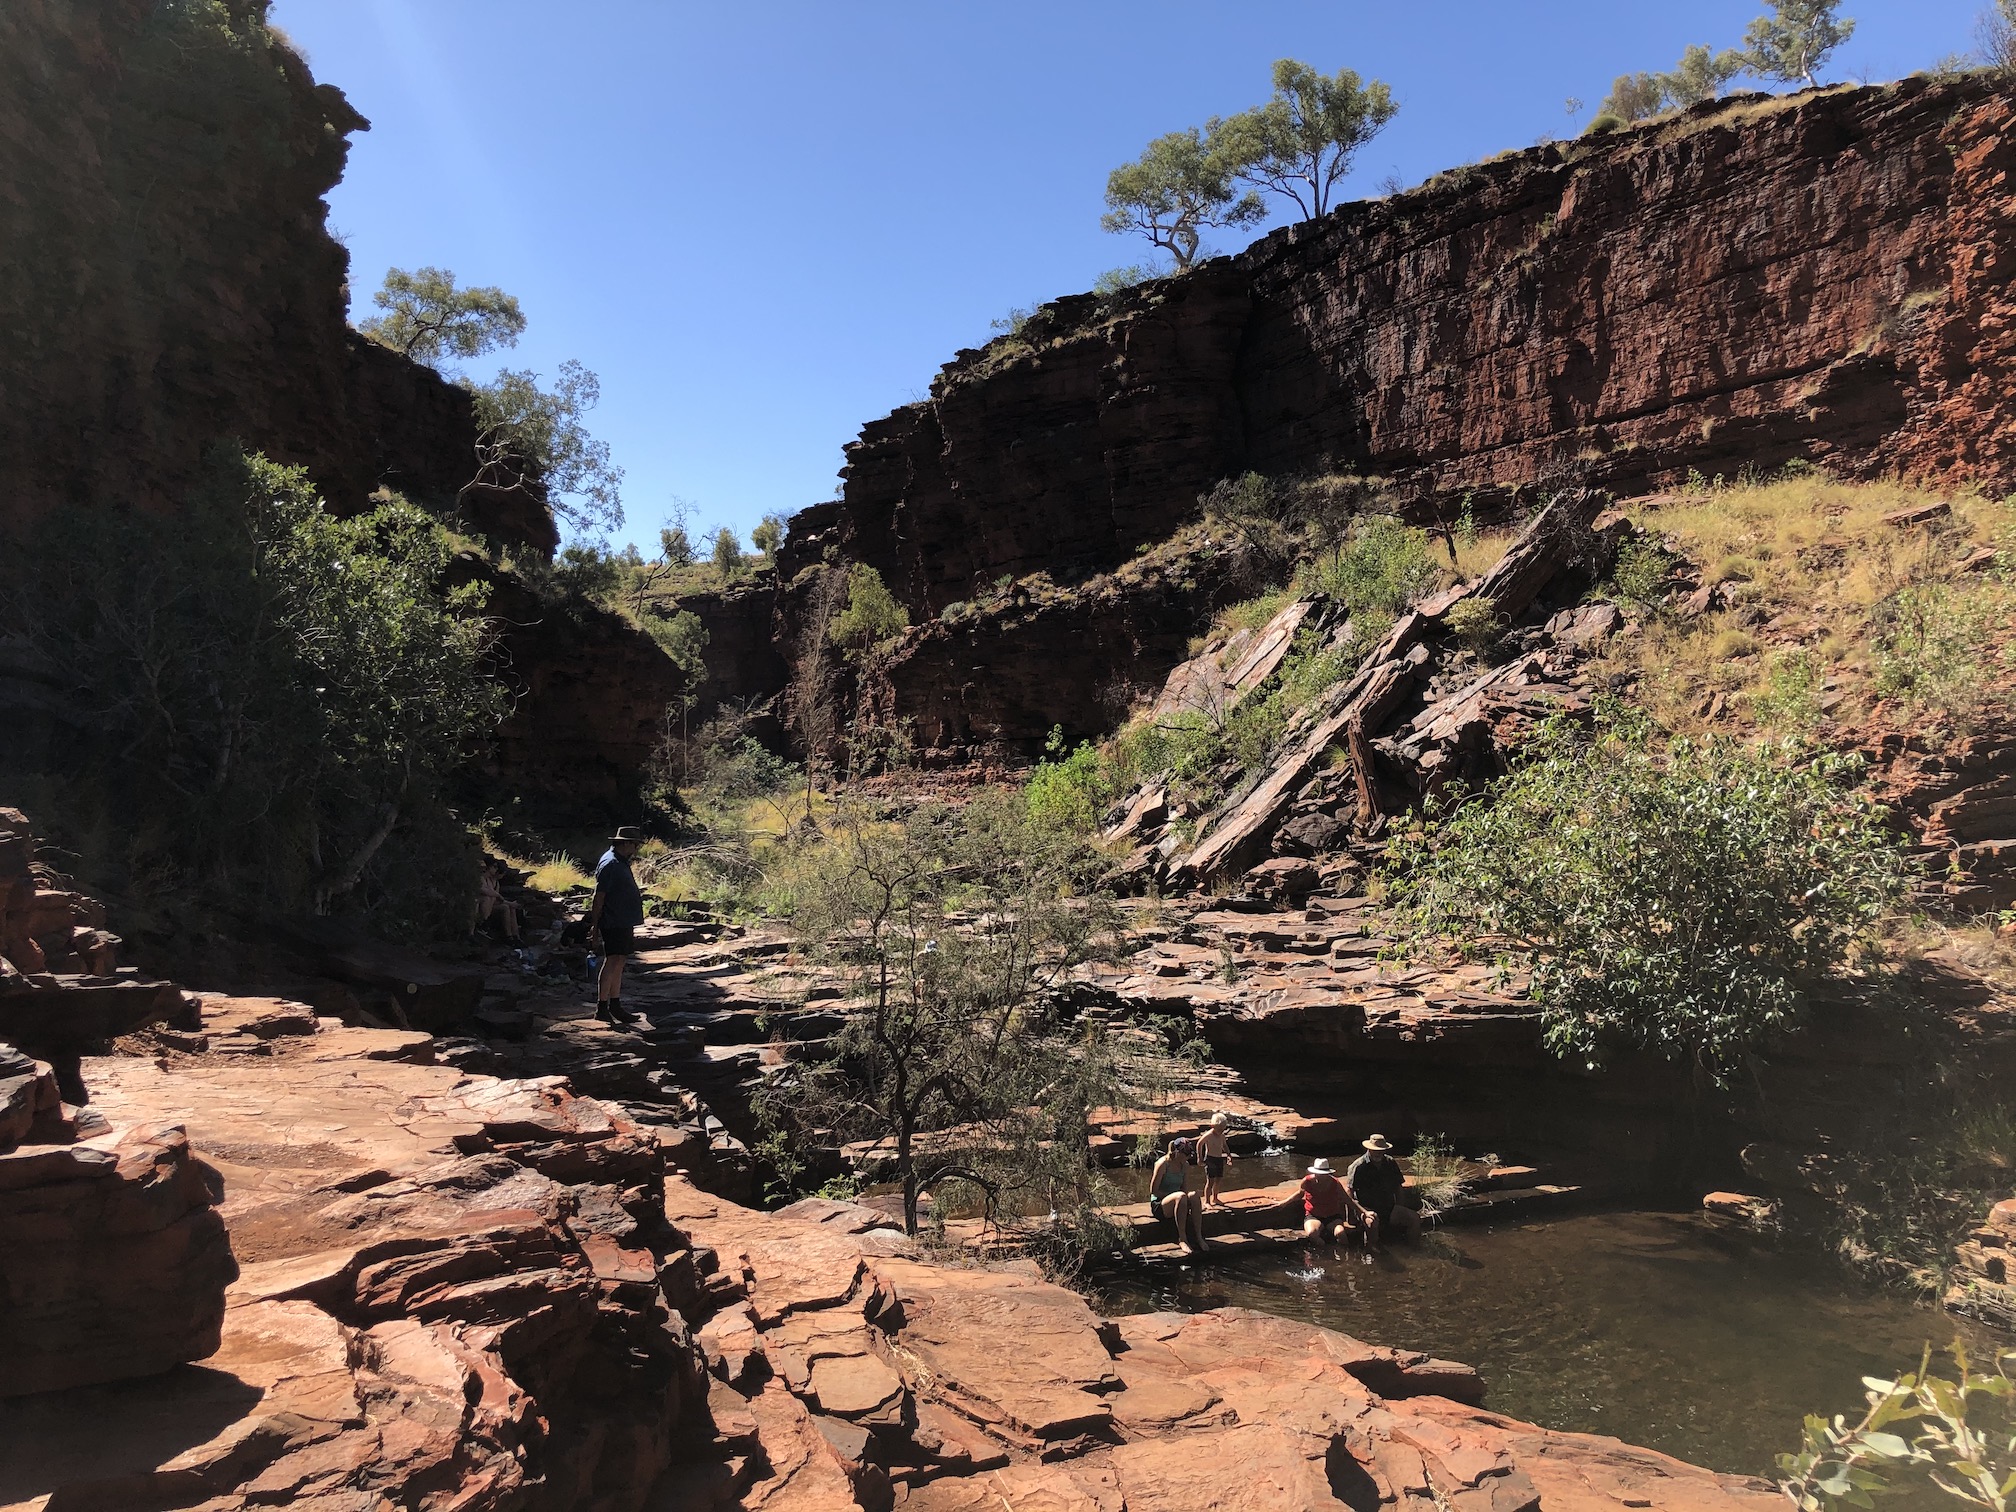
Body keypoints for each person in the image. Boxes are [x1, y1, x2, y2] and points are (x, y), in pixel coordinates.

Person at [588, 826, 646, 1025]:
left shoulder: (619, 861)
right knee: (612, 960)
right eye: (635, 844)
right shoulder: (610, 863)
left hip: (622, 920)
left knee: (620, 960)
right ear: (626, 843)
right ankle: (602, 1006)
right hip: (613, 921)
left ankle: (615, 1004)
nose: (636, 848)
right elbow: (599, 896)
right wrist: (594, 927)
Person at [1347, 1134, 1408, 1247]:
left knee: (1414, 1219)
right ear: (1369, 1149)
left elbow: (1398, 1188)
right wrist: (1357, 1215)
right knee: (1372, 1222)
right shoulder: (1358, 1167)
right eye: (1375, 1150)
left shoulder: (1390, 1163)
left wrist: (1399, 1207)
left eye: (1381, 1150)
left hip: (1388, 1207)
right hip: (1365, 1208)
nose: (1378, 1153)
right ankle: (1372, 1253)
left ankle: (1414, 1250)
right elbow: (1349, 1194)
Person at [1149, 1138, 1208, 1254]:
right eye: (1186, 1154)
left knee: (1195, 1195)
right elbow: (1154, 1191)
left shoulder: (1184, 1165)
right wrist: (1176, 1196)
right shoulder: (1162, 1164)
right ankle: (1182, 1239)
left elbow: (1184, 1188)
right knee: (1180, 1196)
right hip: (1160, 1203)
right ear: (1177, 1152)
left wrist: (1185, 1199)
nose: (1188, 1157)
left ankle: (1199, 1237)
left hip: (1179, 1201)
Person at [1299, 1157, 1357, 1243]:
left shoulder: (1335, 1183)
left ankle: (1344, 1254)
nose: (1320, 1176)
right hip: (1314, 1215)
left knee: (1341, 1233)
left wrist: (1363, 1212)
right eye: (1318, 1174)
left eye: (1323, 1174)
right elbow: (1299, 1194)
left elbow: (1347, 1199)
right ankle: (1325, 1253)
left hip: (1333, 1216)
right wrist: (1282, 1203)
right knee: (1312, 1234)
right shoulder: (1307, 1181)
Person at [476, 858, 521, 943]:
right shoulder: (485, 879)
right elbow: (491, 895)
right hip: (486, 905)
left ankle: (515, 936)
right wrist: (505, 900)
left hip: (491, 904)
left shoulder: (496, 883)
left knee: (511, 907)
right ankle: (508, 936)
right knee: (505, 906)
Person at [1197, 1112, 1236, 1207]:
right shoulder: (1209, 1135)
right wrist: (1200, 1158)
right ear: (1212, 1126)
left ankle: (1215, 1198)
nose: (1221, 1131)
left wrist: (1228, 1155)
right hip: (1210, 1159)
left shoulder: (1222, 1135)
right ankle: (1207, 1201)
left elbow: (1224, 1145)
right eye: (1219, 1129)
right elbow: (1199, 1144)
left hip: (1219, 1159)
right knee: (1210, 1181)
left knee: (1218, 1179)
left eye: (1223, 1129)